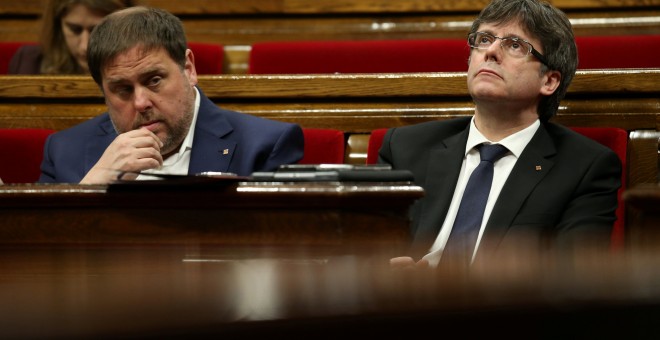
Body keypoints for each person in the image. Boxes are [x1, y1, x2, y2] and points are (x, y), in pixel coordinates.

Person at [382, 0, 621, 270]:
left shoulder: (586, 168)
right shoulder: (404, 148)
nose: (491, 51)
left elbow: (574, 278)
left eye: (514, 45)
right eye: (483, 40)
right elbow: (363, 249)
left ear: (549, 81)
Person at [38, 6, 304, 184]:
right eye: (122, 90)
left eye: (154, 81)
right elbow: (41, 258)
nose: (141, 103)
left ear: (188, 69)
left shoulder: (264, 148)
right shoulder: (65, 152)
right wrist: (91, 189)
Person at [8, 0, 133, 74]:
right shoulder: (29, 63)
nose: (85, 46)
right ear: (58, 25)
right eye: (74, 30)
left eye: (98, 30)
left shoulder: (142, 66)